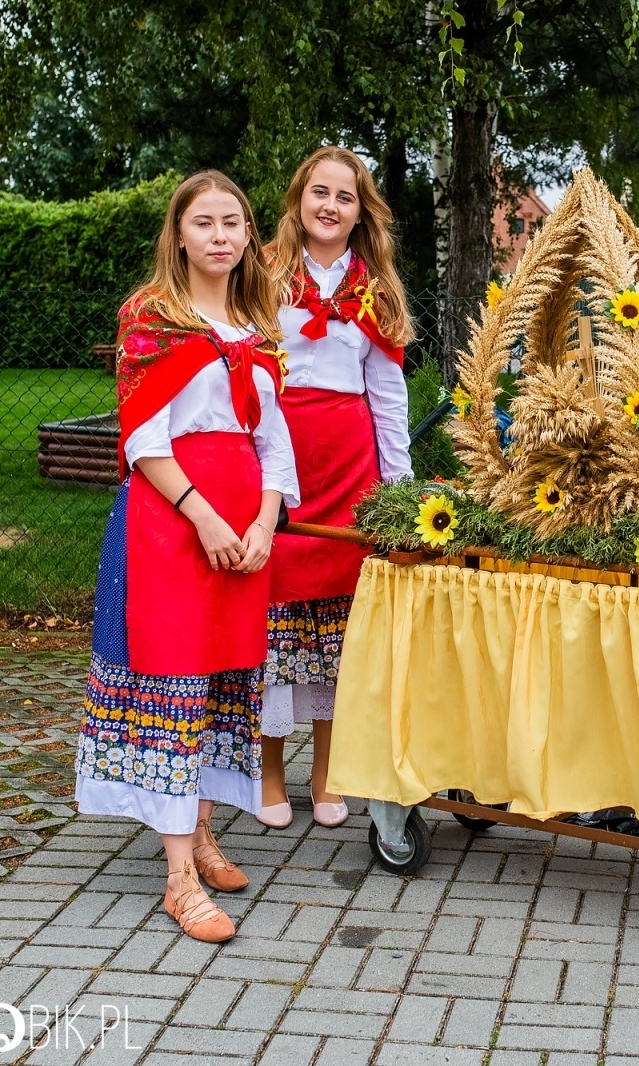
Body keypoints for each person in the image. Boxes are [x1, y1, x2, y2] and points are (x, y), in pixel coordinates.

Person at [76, 170, 299, 943]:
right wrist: (204, 518)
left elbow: (275, 441)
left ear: (247, 234)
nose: (219, 236)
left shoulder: (260, 325)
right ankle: (177, 879)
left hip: (245, 531)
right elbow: (142, 439)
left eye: (232, 222)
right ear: (178, 234)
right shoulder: (150, 317)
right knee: (173, 683)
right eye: (203, 222)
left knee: (222, 682)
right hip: (172, 527)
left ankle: (202, 831)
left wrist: (266, 522)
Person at [258, 146, 414, 830]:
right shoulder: (260, 275)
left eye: (344, 197)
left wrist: (399, 486)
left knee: (335, 633)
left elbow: (387, 393)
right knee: (273, 627)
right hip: (278, 462)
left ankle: (327, 773)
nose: (329, 205)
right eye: (318, 192)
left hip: (348, 467)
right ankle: (266, 772)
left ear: (361, 211)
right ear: (298, 199)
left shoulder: (374, 290)